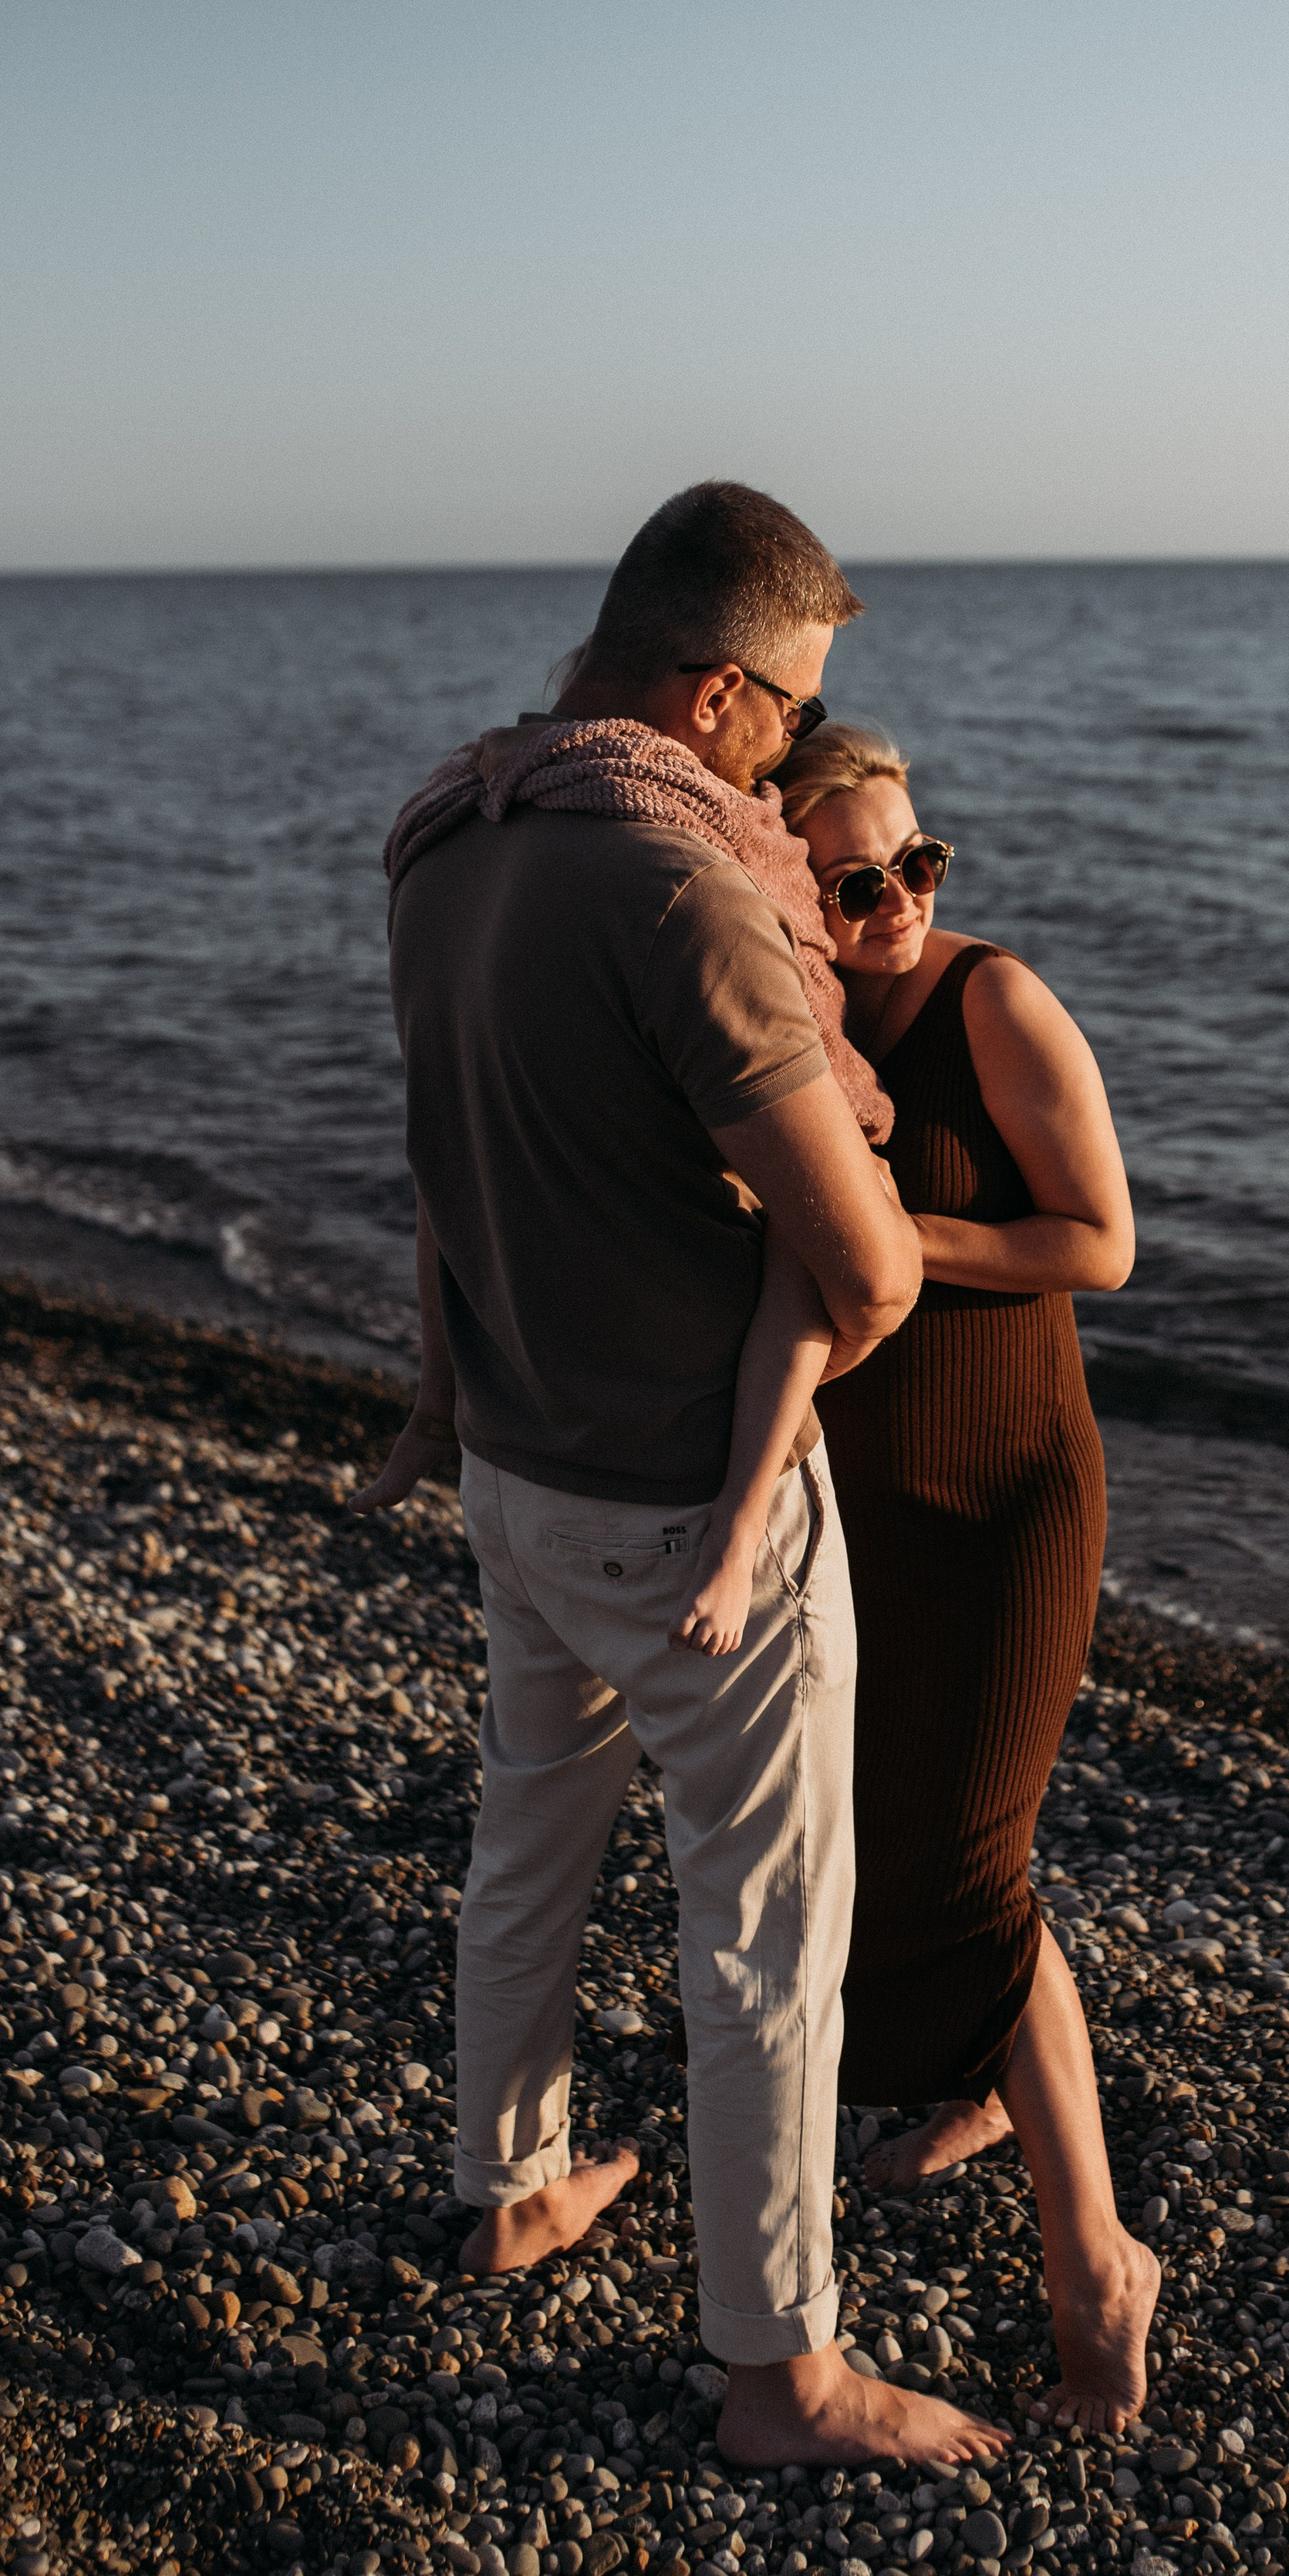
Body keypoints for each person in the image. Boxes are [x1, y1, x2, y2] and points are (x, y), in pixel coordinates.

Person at [355, 483, 1005, 2472]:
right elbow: (870, 1262)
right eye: (792, 709)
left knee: (529, 1845)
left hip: (514, 1461)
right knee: (759, 1940)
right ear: (720, 690)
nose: (800, 749)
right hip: (675, 1499)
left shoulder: (450, 832)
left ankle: (514, 2183)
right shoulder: (681, 881)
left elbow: (458, 1168)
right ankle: (777, 2372)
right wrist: (853, 1283)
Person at [773, 723, 1160, 2435]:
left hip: (1007, 1503)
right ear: (789, 885)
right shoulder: (781, 1026)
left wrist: (879, 1226)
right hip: (860, 1512)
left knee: (965, 1858)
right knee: (918, 1843)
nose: (900, 906)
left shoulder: (988, 1004)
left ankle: (1099, 2269)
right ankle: (999, 2087)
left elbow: (1101, 1241)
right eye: (857, 883)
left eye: (921, 862)